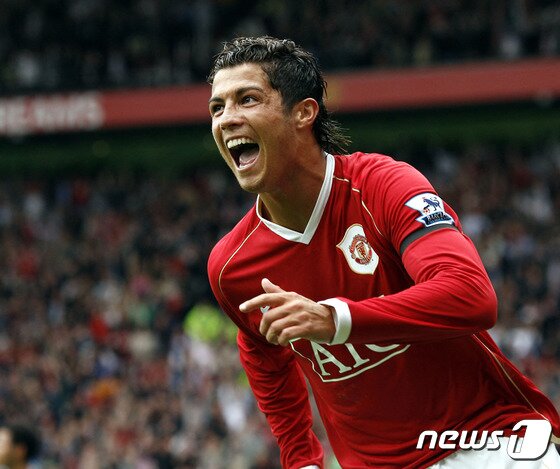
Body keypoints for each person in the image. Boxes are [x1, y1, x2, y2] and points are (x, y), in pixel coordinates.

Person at [206, 36, 560, 468]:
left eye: (247, 99)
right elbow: (263, 357)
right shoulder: (231, 265)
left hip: (490, 446)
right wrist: (302, 460)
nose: (227, 119)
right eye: (217, 107)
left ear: (304, 112)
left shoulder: (383, 186)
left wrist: (335, 320)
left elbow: (471, 295)